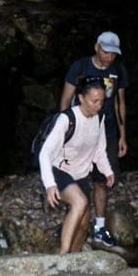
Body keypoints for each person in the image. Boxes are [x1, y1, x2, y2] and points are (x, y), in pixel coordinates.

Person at [59, 31, 129, 251]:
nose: (109, 57)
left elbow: (120, 103)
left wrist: (122, 135)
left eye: (113, 54)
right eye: (106, 51)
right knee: (73, 176)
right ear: (97, 47)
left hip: (106, 132)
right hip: (79, 131)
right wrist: (63, 131)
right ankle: (73, 218)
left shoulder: (117, 71)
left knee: (102, 180)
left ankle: (99, 228)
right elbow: (65, 99)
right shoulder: (79, 68)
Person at [39, 76, 115, 253]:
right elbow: (45, 153)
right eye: (94, 101)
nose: (99, 105)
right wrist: (50, 185)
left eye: (102, 101)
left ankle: (75, 256)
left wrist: (107, 171)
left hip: (80, 174)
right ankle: (63, 256)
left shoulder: (99, 118)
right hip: (59, 171)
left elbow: (99, 150)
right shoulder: (67, 119)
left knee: (84, 223)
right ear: (81, 98)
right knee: (79, 203)